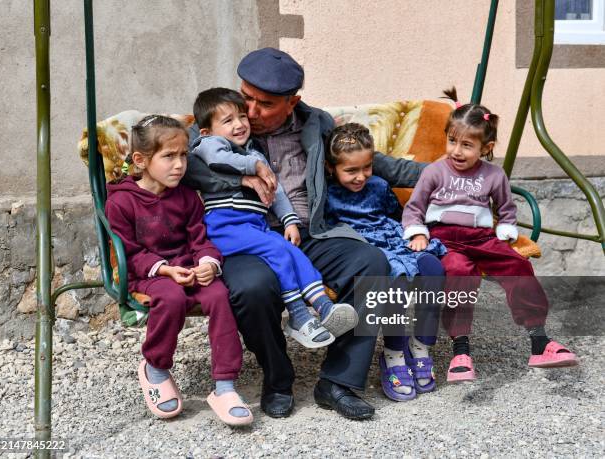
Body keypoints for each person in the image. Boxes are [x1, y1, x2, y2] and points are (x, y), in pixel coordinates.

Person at [183, 48, 427, 420]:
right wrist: (242, 176)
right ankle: (278, 378)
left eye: (264, 104)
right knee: (252, 288)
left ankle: (338, 381)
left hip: (309, 232)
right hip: (246, 234)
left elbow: (370, 161)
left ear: (292, 102)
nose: (250, 111)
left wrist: (447, 176)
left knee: (372, 264)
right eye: (246, 96)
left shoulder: (316, 123)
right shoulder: (221, 117)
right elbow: (184, 166)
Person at [402, 88, 579, 383]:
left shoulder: (494, 175)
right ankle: (461, 350)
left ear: (486, 147)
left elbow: (507, 209)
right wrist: (418, 233)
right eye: (452, 141)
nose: (457, 151)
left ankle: (539, 341)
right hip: (445, 238)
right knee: (459, 271)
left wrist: (507, 228)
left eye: (467, 145)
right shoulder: (434, 172)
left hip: (482, 238)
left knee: (518, 266)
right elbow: (414, 209)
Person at [105, 115, 253, 426]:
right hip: (147, 274)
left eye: (184, 155)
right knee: (170, 297)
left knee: (219, 296)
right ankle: (156, 367)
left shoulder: (187, 197)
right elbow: (128, 253)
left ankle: (225, 385)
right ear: (141, 160)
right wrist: (164, 270)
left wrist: (207, 264)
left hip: (187, 267)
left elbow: (202, 239)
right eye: (169, 156)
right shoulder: (120, 202)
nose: (179, 165)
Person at [191, 87, 357, 348]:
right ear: (207, 131)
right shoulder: (209, 144)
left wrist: (289, 219)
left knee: (292, 251)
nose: (239, 124)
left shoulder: (254, 153)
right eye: (228, 120)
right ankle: (298, 315)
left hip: (254, 226)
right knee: (278, 250)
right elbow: (217, 158)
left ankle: (323, 306)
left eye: (242, 117)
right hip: (225, 226)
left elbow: (275, 190)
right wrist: (253, 168)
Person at [324, 123, 446, 401]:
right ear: (332, 168)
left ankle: (421, 346)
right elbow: (330, 231)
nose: (360, 177)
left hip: (392, 237)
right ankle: (393, 353)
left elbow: (399, 215)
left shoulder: (378, 185)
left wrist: (414, 235)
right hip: (361, 245)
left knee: (433, 269)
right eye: (351, 171)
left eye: (366, 167)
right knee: (397, 279)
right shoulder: (328, 195)